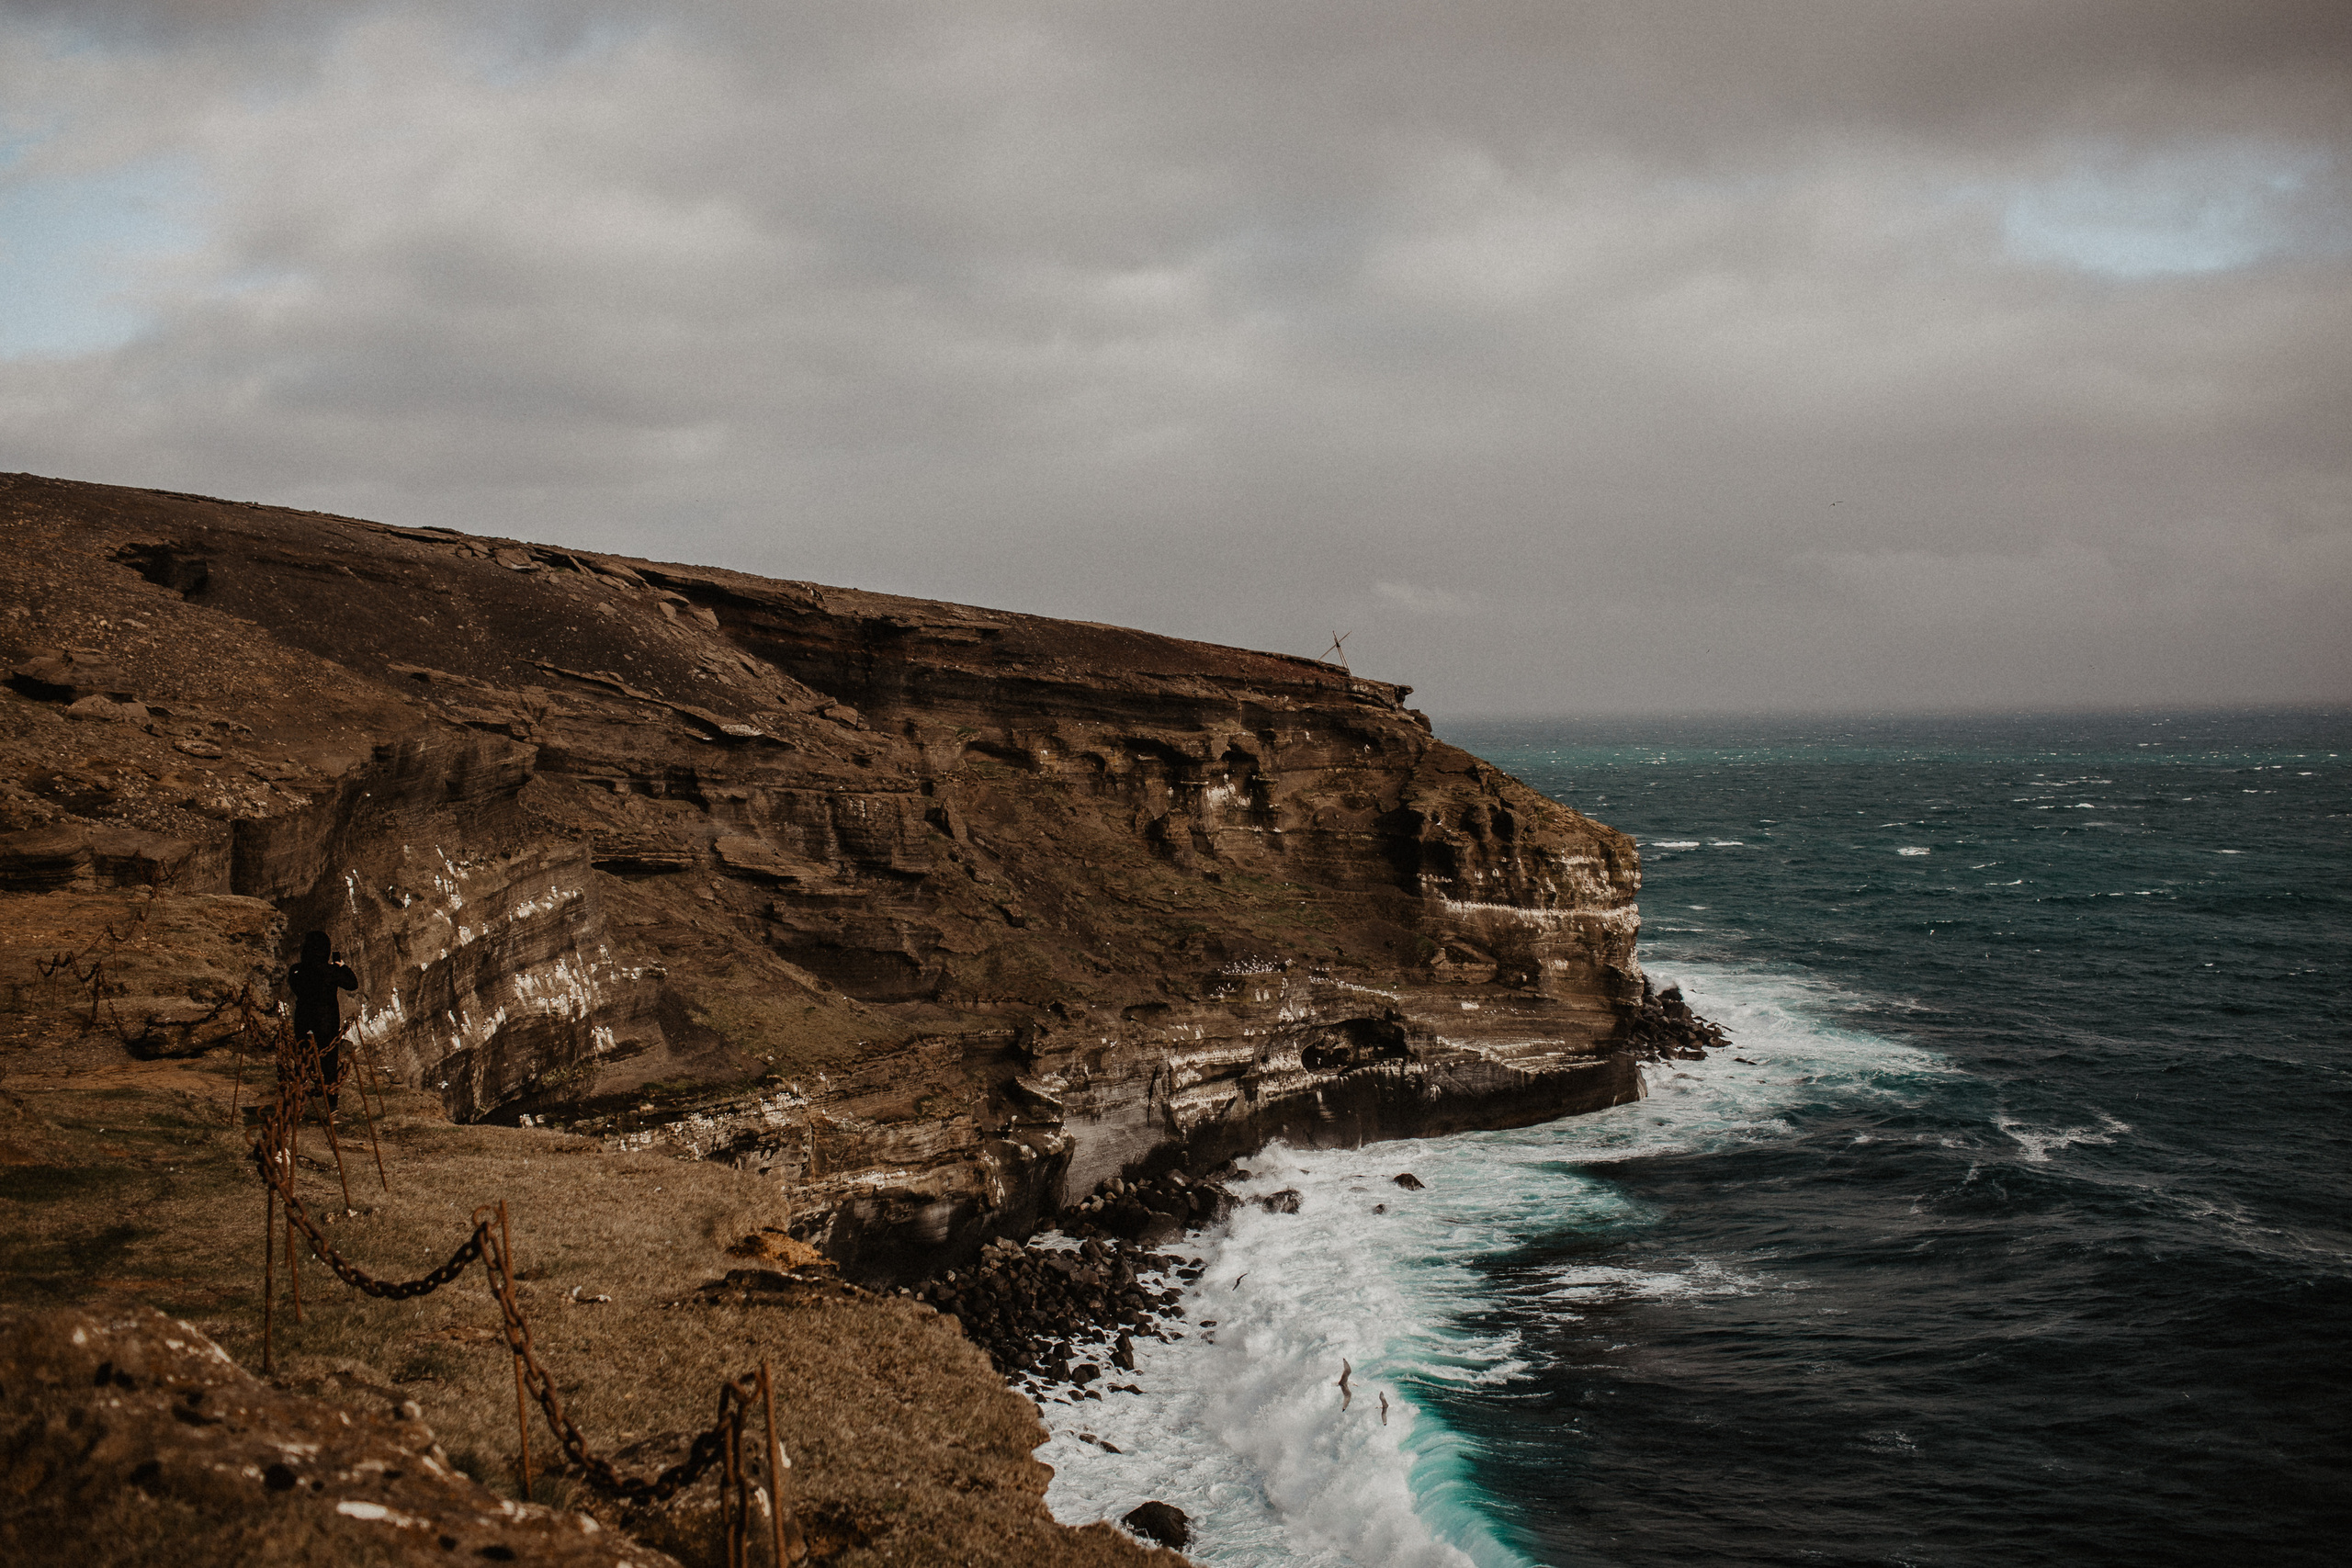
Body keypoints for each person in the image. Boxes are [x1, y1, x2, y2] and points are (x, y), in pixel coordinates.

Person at [286, 931, 358, 1112]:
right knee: (329, 1066)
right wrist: (341, 966)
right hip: (327, 1023)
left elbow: (295, 986)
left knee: (302, 1063)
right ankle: (332, 1107)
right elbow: (352, 984)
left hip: (304, 1021)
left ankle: (297, 1105)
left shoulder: (297, 970)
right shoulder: (331, 971)